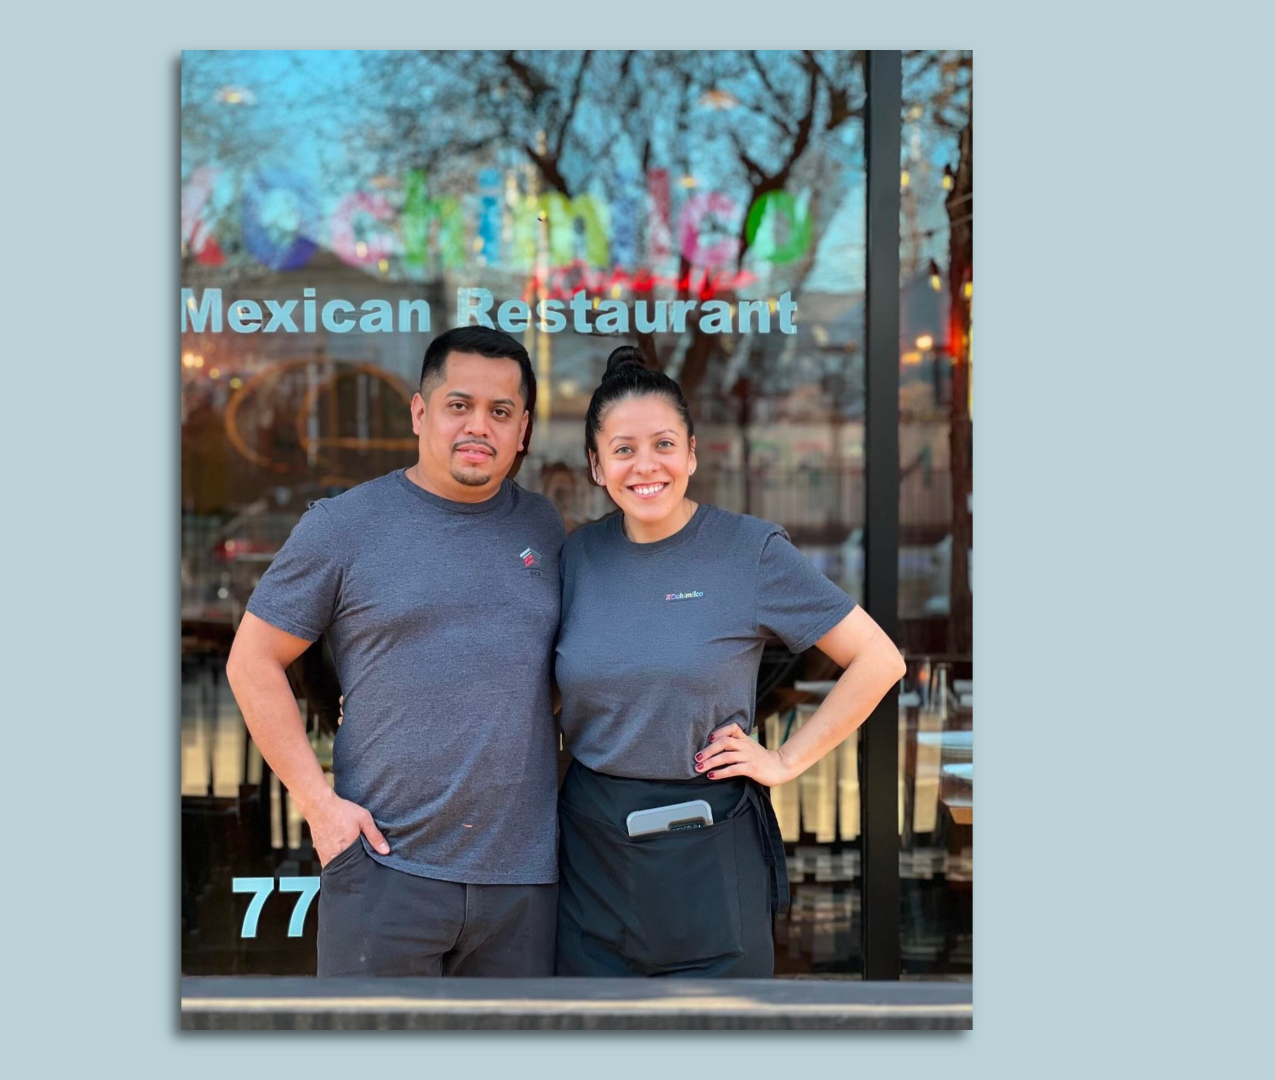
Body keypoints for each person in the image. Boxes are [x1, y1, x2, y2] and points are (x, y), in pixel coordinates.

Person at [553, 346, 907, 977]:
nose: (645, 466)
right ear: (596, 466)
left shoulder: (749, 551)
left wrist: (786, 760)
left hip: (708, 842)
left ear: (691, 451)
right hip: (592, 854)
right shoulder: (578, 558)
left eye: (663, 444)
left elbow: (879, 660)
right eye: (623, 449)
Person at [225, 326, 567, 977]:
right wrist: (317, 804)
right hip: (385, 871)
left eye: (500, 412)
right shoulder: (344, 526)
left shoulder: (544, 528)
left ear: (522, 429)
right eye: (458, 405)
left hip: (521, 886)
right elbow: (253, 661)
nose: (479, 427)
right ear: (420, 412)